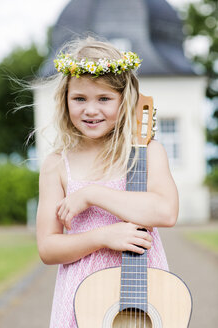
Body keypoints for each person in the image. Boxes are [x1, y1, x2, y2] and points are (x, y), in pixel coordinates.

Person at [36, 36, 179, 328]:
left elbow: (165, 212)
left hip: (143, 293)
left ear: (123, 99)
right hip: (81, 293)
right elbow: (48, 248)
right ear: (65, 100)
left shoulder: (146, 152)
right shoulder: (57, 165)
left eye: (104, 98)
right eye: (79, 99)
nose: (90, 110)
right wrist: (103, 237)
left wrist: (92, 194)